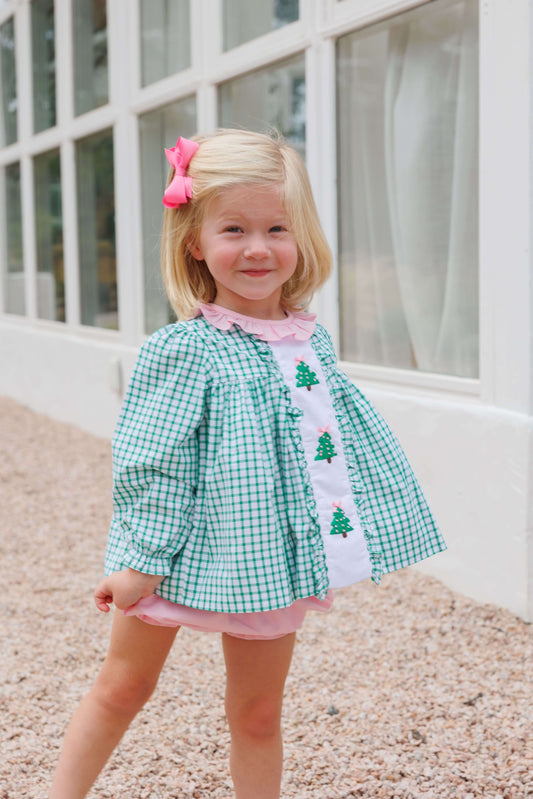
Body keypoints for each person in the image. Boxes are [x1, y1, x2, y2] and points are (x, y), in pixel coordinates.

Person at [50, 129, 446, 799]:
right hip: (172, 553)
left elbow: (329, 448)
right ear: (196, 241)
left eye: (275, 228)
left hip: (268, 557)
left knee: (258, 714)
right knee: (122, 686)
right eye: (234, 228)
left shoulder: (309, 342)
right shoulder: (184, 350)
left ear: (301, 237)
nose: (258, 248)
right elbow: (152, 464)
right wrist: (141, 560)